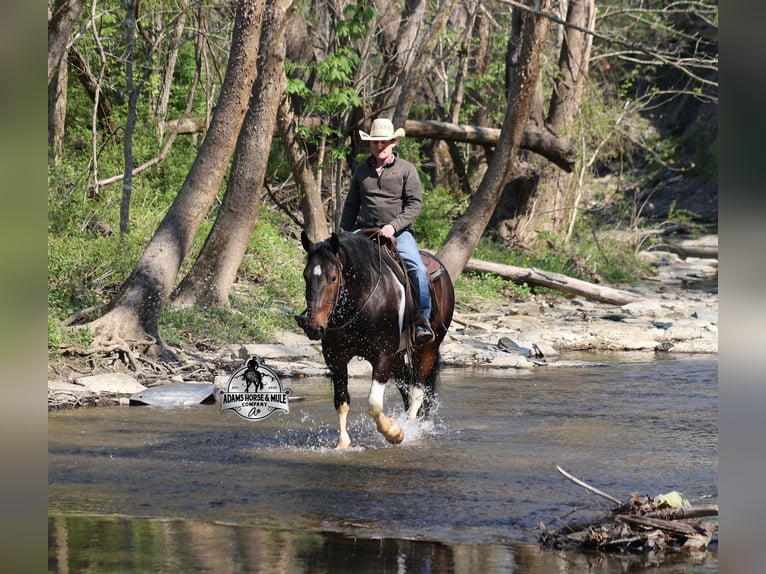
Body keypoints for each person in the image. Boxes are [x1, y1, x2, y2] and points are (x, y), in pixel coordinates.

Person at [340, 118, 434, 345]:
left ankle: (421, 321)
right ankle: (336, 318)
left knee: (418, 269)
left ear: (393, 142)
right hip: (364, 230)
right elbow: (351, 205)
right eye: (375, 142)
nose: (379, 146)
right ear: (370, 145)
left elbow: (414, 205)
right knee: (336, 267)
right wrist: (343, 235)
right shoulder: (361, 170)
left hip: (398, 232)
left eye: (383, 142)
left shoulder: (406, 170)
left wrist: (394, 225)